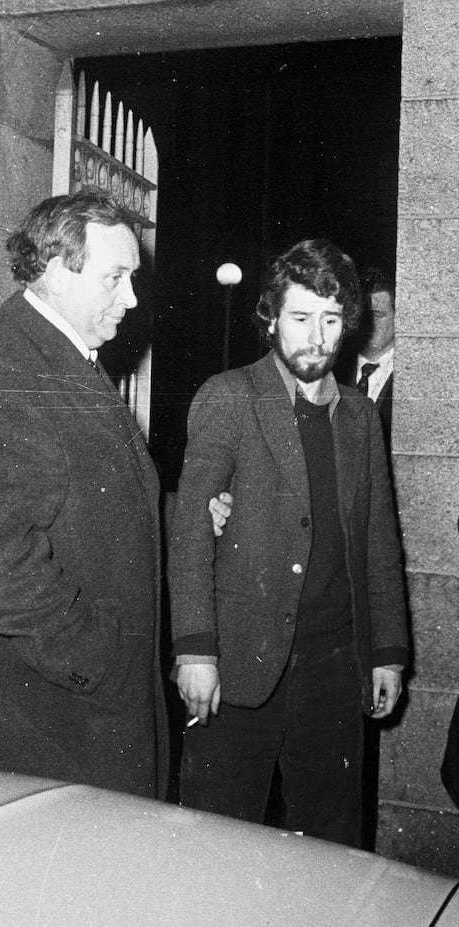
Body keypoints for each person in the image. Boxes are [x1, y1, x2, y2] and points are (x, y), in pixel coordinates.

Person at [0, 189, 229, 797]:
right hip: (41, 721)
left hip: (64, 712)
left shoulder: (56, 355)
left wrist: (180, 514)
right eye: (115, 278)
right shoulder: (5, 372)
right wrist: (101, 661)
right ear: (57, 271)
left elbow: (82, 495)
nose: (132, 299)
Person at [168, 239, 409, 846]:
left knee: (330, 843)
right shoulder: (230, 397)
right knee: (216, 841)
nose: (316, 337)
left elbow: (379, 541)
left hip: (333, 669)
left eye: (331, 320)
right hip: (238, 663)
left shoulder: (359, 417)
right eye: (301, 318)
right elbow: (191, 530)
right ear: (272, 318)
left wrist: (387, 651)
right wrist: (195, 651)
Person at [348, 266, 396, 450]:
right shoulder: (333, 370)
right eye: (362, 316)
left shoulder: (411, 377)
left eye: (377, 315)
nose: (367, 324)